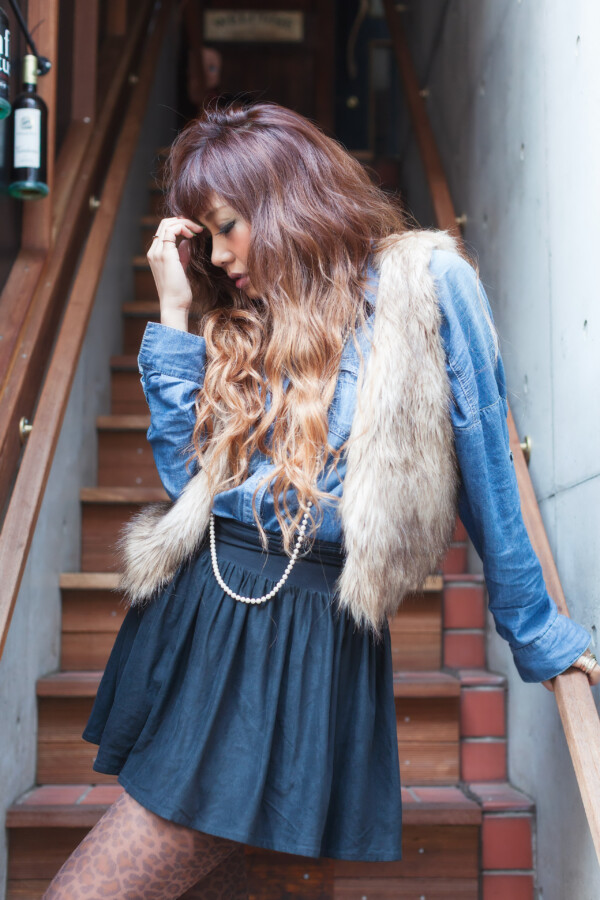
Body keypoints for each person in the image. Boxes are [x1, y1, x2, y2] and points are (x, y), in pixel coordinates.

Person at [43, 102, 598, 900]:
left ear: (284, 198)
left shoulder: (425, 285)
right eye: (208, 236)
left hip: (296, 637)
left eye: (229, 226)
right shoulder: (252, 316)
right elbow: (184, 483)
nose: (221, 255)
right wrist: (173, 313)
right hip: (203, 615)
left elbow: (488, 464)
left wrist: (538, 633)